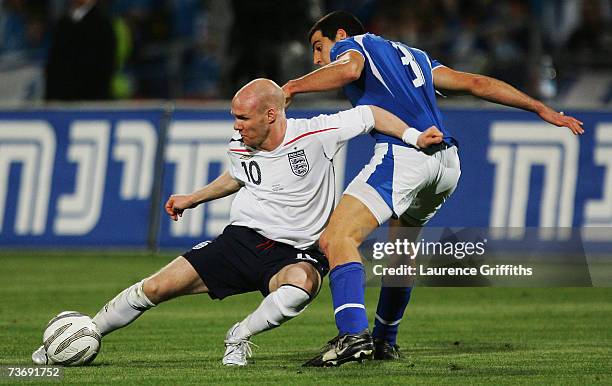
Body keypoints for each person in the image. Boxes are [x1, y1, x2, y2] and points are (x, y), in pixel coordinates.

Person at [32, 79, 442, 367]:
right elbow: (238, 175)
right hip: (241, 241)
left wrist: (412, 137)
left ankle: (238, 337)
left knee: (302, 287)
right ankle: (84, 333)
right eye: (234, 117)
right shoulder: (240, 143)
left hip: (296, 251)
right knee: (155, 287)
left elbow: (370, 114)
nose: (236, 126)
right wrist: (193, 198)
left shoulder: (317, 133)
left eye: (243, 118)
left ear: (271, 114)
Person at [282, 11, 584, 367]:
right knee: (402, 249)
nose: (318, 58)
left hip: (408, 154)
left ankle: (352, 335)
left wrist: (291, 87)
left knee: (336, 239)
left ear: (342, 34)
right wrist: (539, 107)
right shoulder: (416, 58)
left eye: (320, 46)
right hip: (445, 164)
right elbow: (474, 84)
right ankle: (384, 341)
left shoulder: (354, 45)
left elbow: (348, 70)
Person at [45, 0, 116, 100]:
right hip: (63, 97)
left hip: (90, 97)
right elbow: (55, 61)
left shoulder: (102, 23)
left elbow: (106, 65)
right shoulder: (63, 22)